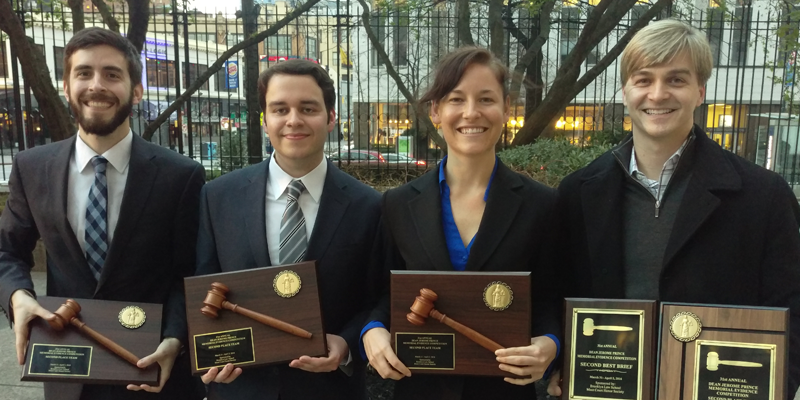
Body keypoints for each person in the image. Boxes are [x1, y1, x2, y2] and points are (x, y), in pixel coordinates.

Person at [558, 19, 800, 396]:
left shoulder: (764, 196)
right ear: (625, 91)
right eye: (644, 79)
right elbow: (561, 294)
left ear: (700, 91)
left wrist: (773, 387)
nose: (657, 94)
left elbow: (791, 310)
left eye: (676, 80)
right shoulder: (578, 193)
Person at [0, 28, 205, 400]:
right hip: (67, 370)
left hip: (153, 371)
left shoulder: (181, 175)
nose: (97, 85)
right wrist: (18, 296)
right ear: (67, 87)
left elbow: (189, 273)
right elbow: (7, 252)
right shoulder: (32, 168)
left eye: (112, 74)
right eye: (84, 73)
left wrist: (176, 337)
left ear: (136, 90)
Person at [361, 46, 562, 400]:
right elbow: (380, 293)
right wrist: (372, 330)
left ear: (506, 109)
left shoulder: (540, 205)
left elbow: (551, 297)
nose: (471, 113)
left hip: (505, 392)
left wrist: (550, 344)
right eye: (456, 99)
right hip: (420, 389)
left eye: (486, 99)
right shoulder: (397, 205)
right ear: (436, 111)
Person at [195, 59, 381, 400]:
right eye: (280, 109)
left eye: (308, 108)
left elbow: (378, 297)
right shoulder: (218, 197)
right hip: (241, 388)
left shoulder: (368, 206)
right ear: (264, 120)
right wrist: (210, 351)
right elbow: (203, 283)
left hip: (329, 390)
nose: (293, 120)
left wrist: (347, 343)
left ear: (331, 118)